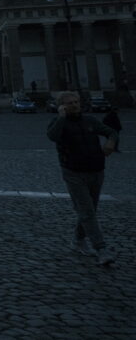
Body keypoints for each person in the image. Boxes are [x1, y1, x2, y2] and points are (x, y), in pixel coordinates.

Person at [47, 91, 119, 266]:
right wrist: (61, 117)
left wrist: (111, 142)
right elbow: (53, 136)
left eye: (76, 102)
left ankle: (78, 240)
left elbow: (111, 132)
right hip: (73, 172)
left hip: (96, 170)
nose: (74, 105)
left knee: (89, 211)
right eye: (70, 103)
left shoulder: (90, 121)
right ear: (62, 106)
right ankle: (101, 248)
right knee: (86, 211)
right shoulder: (58, 123)